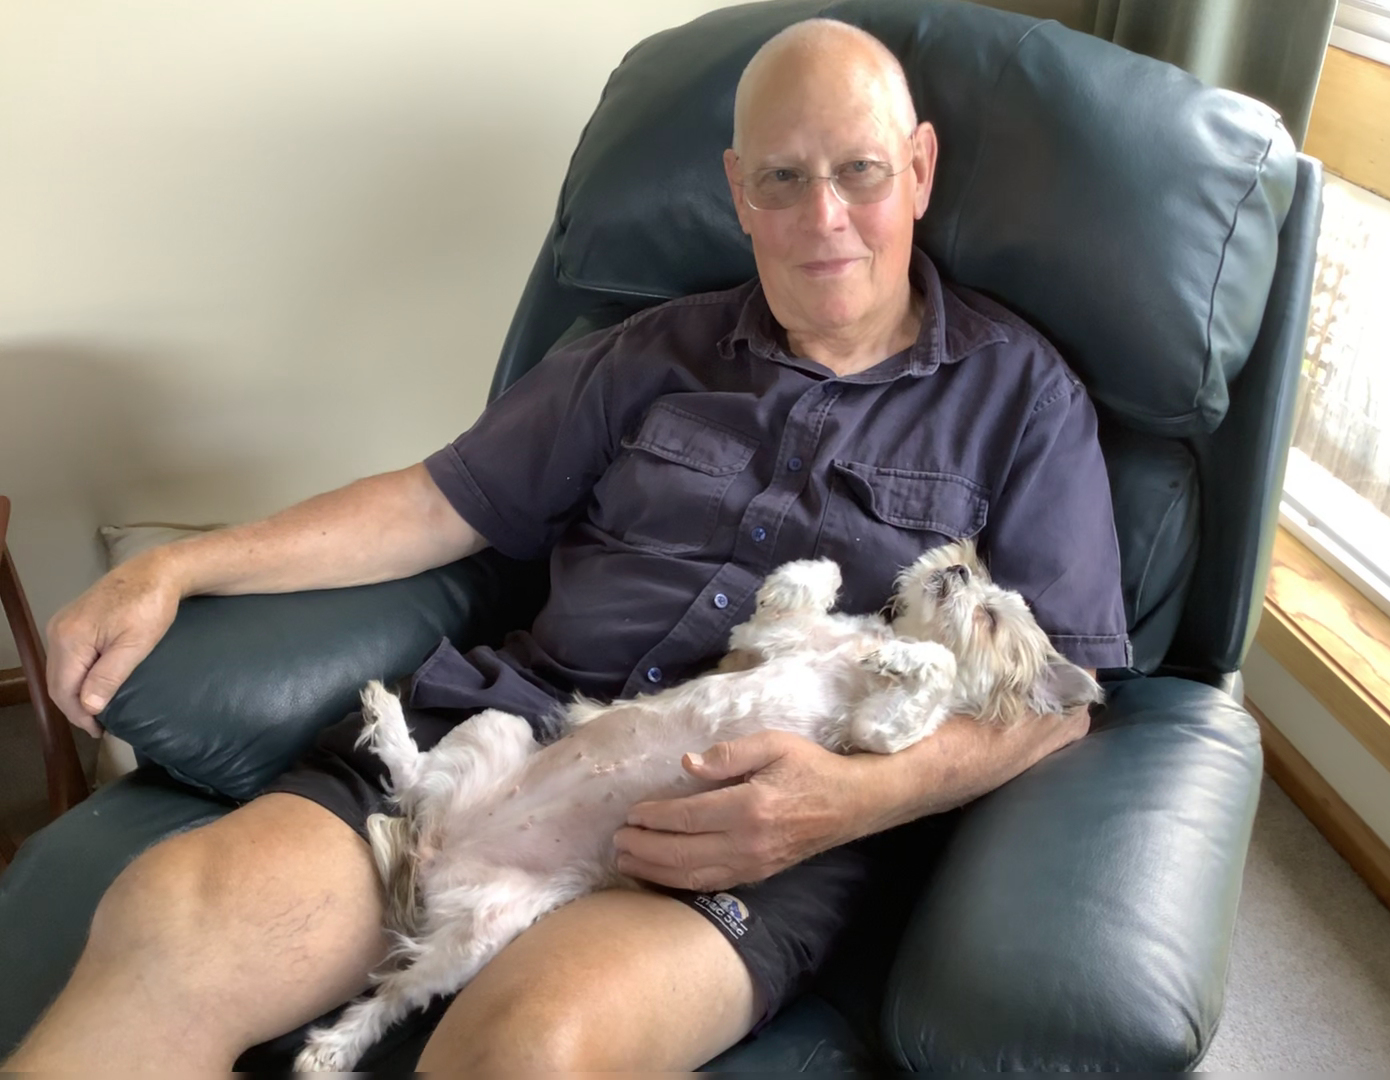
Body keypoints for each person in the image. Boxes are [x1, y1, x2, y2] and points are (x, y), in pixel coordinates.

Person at [7, 18, 1128, 1071]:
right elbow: (436, 501)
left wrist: (845, 800)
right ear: (737, 192)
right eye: (783, 178)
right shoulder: (647, 353)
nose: (823, 217)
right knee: (170, 926)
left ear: (920, 170)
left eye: (861, 172)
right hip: (497, 739)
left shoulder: (1023, 402)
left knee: (523, 1051)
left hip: (742, 819)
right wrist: (176, 566)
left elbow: (1060, 699)